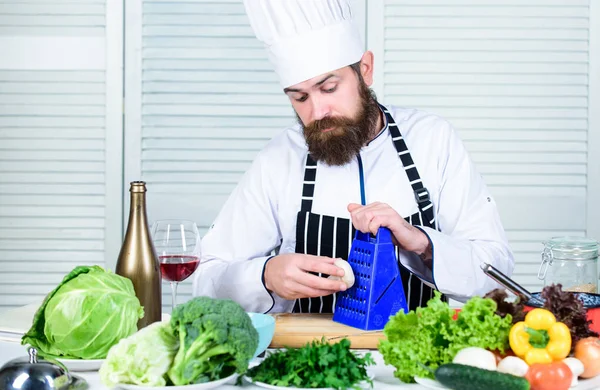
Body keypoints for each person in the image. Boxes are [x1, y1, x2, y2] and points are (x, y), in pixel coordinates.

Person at [192, 0, 514, 314]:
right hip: (312, 359)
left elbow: (497, 274)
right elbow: (207, 279)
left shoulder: (433, 140)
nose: (317, 112)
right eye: (300, 98)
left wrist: (421, 244)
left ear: (366, 69)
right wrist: (265, 276)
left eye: (329, 88)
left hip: (416, 362)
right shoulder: (279, 159)